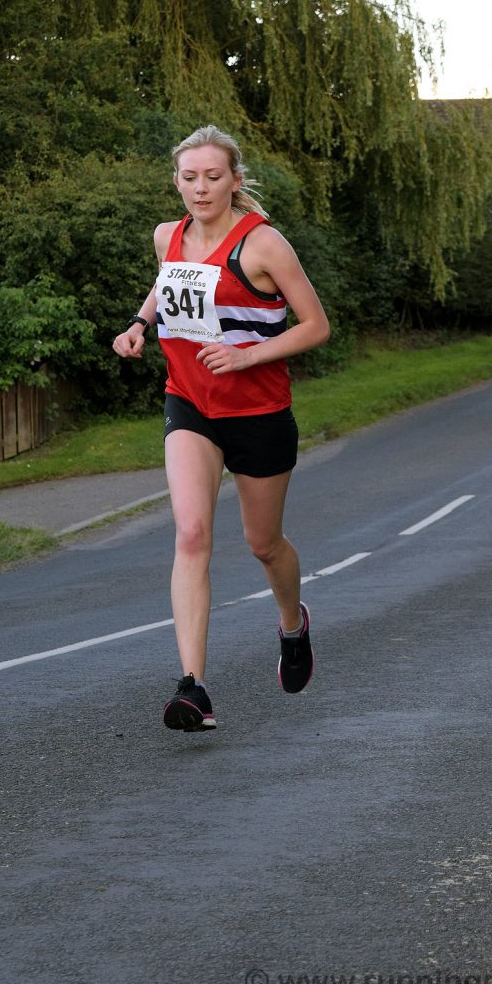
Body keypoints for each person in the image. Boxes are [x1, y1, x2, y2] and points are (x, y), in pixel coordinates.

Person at [112, 125, 330, 732]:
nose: (200, 188)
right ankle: (194, 688)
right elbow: (168, 285)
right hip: (190, 404)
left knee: (263, 543)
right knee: (190, 534)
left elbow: (315, 326)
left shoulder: (263, 245)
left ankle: (293, 623)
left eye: (213, 176)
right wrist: (139, 325)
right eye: (189, 177)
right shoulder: (168, 236)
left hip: (258, 413)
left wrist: (245, 356)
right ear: (176, 181)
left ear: (235, 180)